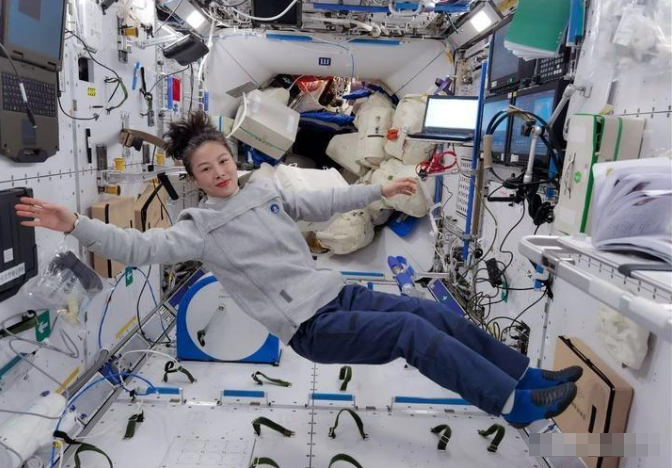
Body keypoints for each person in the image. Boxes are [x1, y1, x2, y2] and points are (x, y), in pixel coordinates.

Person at [15, 112, 580, 428]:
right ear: (193, 177)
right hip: (311, 327)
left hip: (337, 296)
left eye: (223, 160)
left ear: (233, 158)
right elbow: (138, 246)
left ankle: (524, 377)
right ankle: (512, 406)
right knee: (413, 333)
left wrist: (379, 189)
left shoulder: (263, 189)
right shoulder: (198, 227)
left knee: (431, 314)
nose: (219, 173)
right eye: (205, 169)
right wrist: (76, 225)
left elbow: (320, 203)